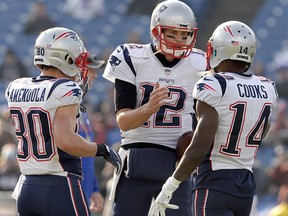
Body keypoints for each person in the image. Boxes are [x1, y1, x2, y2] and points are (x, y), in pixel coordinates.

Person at [148, 20, 279, 216]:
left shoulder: (214, 84)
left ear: (218, 49)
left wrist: (170, 185)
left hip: (215, 182)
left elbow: (200, 145)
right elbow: (262, 130)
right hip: (246, 184)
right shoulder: (267, 87)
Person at [102, 0, 207, 215]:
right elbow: (124, 121)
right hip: (135, 161)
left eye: (184, 35)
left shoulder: (200, 63)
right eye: (172, 34)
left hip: (177, 163)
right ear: (156, 31)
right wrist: (148, 108)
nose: (179, 40)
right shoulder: (132, 57)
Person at [5, 27, 121, 216]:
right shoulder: (66, 89)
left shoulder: (17, 86)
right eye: (78, 60)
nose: (81, 67)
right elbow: (65, 141)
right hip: (59, 186)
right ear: (66, 58)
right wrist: (102, 150)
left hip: (27, 187)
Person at [79, 54, 106, 214]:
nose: (95, 75)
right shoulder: (62, 107)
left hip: (83, 194)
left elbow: (86, 158)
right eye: (90, 70)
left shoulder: (80, 109)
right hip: (66, 193)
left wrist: (94, 188)